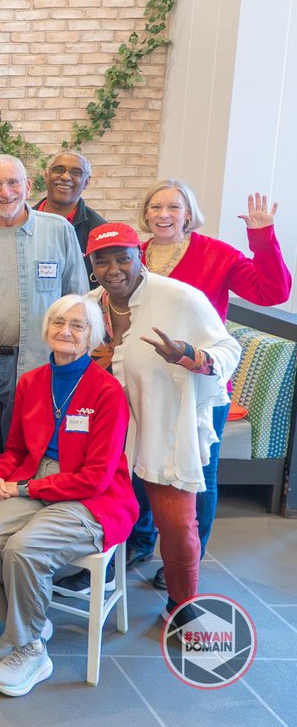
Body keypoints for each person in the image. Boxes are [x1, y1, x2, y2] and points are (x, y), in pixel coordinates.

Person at [124, 181, 292, 588]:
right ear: (145, 214)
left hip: (198, 384)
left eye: (174, 207)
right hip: (143, 381)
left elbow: (272, 291)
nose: (164, 214)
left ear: (188, 214)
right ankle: (142, 540)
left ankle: (185, 557)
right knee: (139, 462)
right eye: (156, 207)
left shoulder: (215, 254)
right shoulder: (135, 256)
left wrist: (263, 238)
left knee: (198, 472)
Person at [0, 294, 135, 697]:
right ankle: (25, 623)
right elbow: (15, 450)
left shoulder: (107, 392)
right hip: (34, 480)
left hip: (93, 498)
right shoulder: (30, 383)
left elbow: (95, 477)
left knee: (25, 549)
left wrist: (23, 487)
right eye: (59, 322)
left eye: (78, 325)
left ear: (93, 336)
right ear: (46, 330)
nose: (66, 331)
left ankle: (30, 650)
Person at [84, 224, 241, 620]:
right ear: (91, 266)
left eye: (123, 258)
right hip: (110, 428)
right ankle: (98, 576)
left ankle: (181, 603)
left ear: (140, 257)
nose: (113, 269)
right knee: (99, 506)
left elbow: (227, 348)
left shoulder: (179, 297)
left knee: (176, 520)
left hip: (166, 418)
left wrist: (189, 354)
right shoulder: (89, 305)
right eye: (102, 261)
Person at [0, 155, 87, 446]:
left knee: (31, 447)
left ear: (27, 186)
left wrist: (66, 360)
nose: (5, 192)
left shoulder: (58, 231)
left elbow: (79, 302)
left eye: (12, 182)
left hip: (39, 366)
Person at [33, 151, 106, 288]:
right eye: (58, 170)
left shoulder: (98, 231)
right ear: (46, 175)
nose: (66, 177)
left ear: (86, 181)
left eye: (76, 172)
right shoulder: (23, 222)